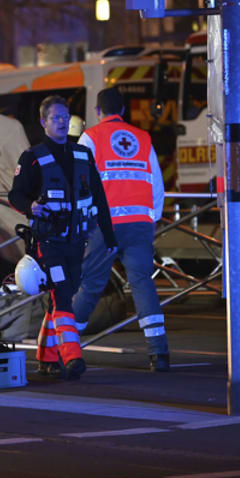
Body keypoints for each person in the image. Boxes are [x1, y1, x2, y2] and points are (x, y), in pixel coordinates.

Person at [8, 95, 117, 380]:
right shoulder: (32, 157)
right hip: (48, 241)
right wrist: (30, 206)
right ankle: (72, 357)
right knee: (62, 297)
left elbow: (100, 198)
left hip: (76, 242)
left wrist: (109, 234)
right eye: (55, 117)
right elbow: (15, 194)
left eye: (65, 116)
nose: (62, 121)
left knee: (59, 299)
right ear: (43, 122)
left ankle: (46, 357)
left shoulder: (82, 155)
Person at [73, 87, 170, 371]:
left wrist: (82, 220)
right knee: (142, 283)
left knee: (91, 285)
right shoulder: (142, 138)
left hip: (104, 225)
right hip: (140, 224)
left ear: (98, 112)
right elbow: (157, 185)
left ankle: (63, 345)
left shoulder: (90, 137)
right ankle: (158, 352)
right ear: (124, 111)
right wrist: (152, 219)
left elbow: (81, 183)